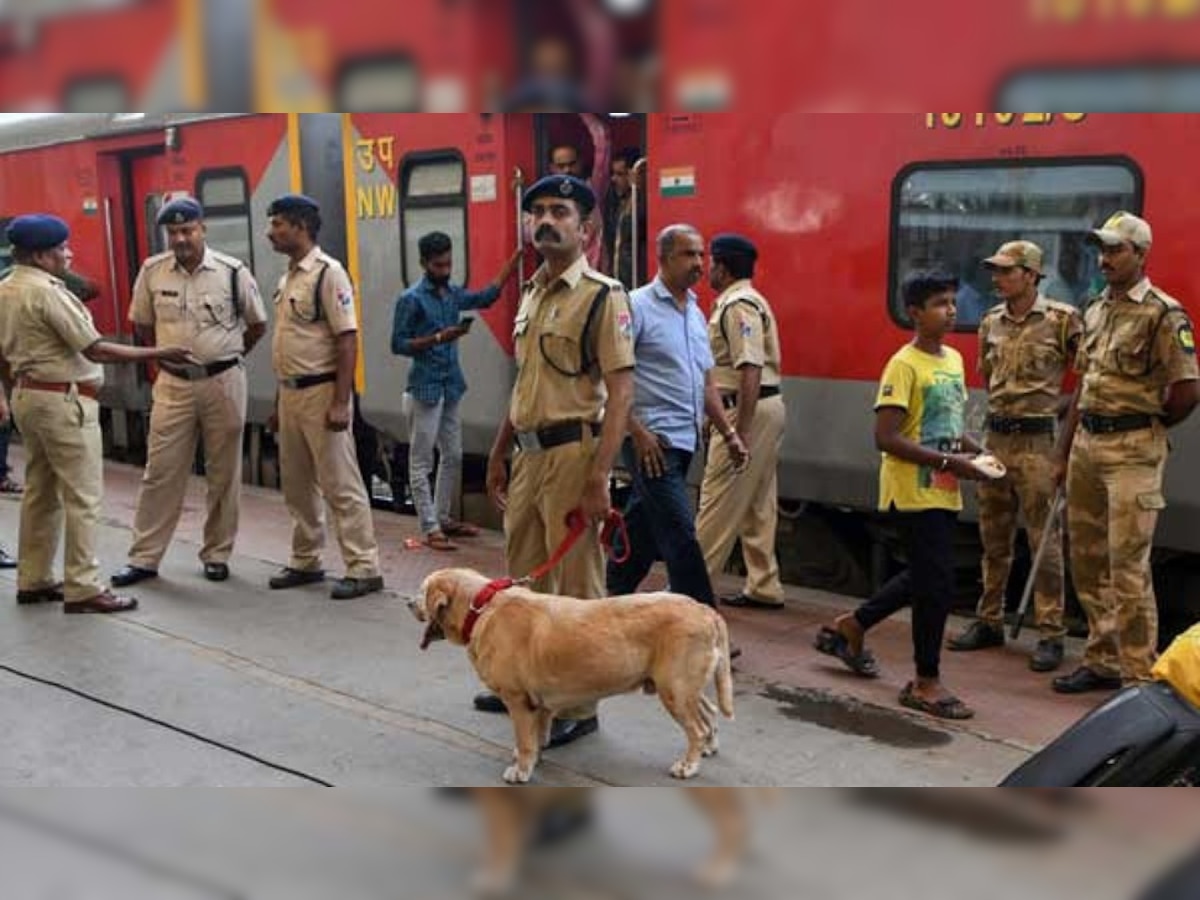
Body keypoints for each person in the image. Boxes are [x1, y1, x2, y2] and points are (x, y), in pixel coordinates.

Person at [479, 174, 635, 749]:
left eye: (559, 211)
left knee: (574, 590)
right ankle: (523, 687)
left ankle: (580, 705)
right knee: (520, 583)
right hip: (528, 457)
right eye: (536, 212)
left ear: (586, 227)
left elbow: (620, 393)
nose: (545, 221)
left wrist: (600, 478)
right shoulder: (532, 292)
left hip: (574, 455)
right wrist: (499, 451)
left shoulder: (602, 295)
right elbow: (526, 383)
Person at [0, 214, 194, 613]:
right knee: (83, 496)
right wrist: (159, 353)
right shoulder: (47, 293)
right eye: (61, 250)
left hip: (28, 396)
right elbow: (95, 349)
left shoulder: (6, 288)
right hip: (63, 402)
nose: (68, 255)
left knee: (40, 492)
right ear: (40, 255)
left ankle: (34, 579)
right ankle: (84, 586)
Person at [814, 270, 987, 719]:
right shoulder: (903, 365)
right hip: (912, 490)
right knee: (936, 584)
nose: (951, 310)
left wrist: (980, 456)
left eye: (952, 301)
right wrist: (953, 463)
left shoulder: (952, 360)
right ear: (914, 313)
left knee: (926, 576)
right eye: (939, 304)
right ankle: (924, 682)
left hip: (943, 488)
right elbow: (886, 437)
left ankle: (852, 625)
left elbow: (948, 427)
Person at [1052, 212, 1199, 694]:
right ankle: (1101, 658)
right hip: (1088, 446)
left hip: (1133, 451)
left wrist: (1147, 425)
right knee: (1089, 558)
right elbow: (1083, 388)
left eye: (1115, 250)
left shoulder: (1163, 313)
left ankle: (1137, 674)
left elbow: (1187, 389)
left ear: (1140, 254)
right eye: (1102, 249)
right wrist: (1063, 452)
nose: (1105, 258)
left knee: (1127, 565)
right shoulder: (1094, 309)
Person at [111, 198, 267, 587]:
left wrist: (224, 358)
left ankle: (216, 554)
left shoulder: (233, 272)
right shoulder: (152, 272)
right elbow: (143, 326)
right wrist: (171, 361)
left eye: (188, 230)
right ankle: (144, 558)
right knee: (160, 471)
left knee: (223, 472)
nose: (180, 238)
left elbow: (257, 325)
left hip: (223, 382)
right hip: (174, 384)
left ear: (203, 229)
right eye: (174, 232)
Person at [947, 241, 1082, 673]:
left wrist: (1059, 420)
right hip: (997, 441)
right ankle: (989, 620)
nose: (996, 278)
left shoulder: (1063, 320)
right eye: (996, 270)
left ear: (1030, 275)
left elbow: (1086, 381)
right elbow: (988, 381)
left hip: (1040, 444)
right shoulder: (990, 323)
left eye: (1006, 271)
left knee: (1044, 543)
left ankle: (1051, 633)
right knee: (994, 538)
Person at [606, 223, 747, 608]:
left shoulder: (696, 315)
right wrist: (635, 431)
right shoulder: (635, 306)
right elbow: (609, 376)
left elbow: (706, 385)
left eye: (702, 255)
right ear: (664, 258)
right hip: (652, 441)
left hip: (685, 442)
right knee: (681, 533)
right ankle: (705, 621)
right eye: (689, 255)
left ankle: (609, 595)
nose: (699, 264)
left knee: (643, 527)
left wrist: (729, 435)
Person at [265, 194, 384, 601]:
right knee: (297, 483)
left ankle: (364, 566)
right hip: (291, 393)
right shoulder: (288, 278)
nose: (271, 232)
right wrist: (277, 404)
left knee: (340, 483)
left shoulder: (328, 274)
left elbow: (347, 340)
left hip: (320, 392)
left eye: (278, 223)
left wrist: (340, 401)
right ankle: (306, 559)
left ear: (300, 225)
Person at [391, 232, 520, 551]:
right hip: (425, 387)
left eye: (449, 263)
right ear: (423, 263)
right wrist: (438, 338)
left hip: (450, 384)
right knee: (421, 460)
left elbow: (486, 297)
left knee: (453, 455)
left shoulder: (450, 293)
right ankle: (429, 526)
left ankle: (443, 517)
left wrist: (514, 263)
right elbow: (398, 344)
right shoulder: (411, 299)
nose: (445, 270)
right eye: (438, 265)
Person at [695, 234, 787, 611]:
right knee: (758, 501)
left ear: (723, 266)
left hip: (747, 409)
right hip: (763, 406)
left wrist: (738, 432)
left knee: (717, 500)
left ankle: (689, 587)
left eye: (710, 261)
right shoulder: (748, 301)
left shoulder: (738, 305)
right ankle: (764, 585)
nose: (705, 269)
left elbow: (748, 368)